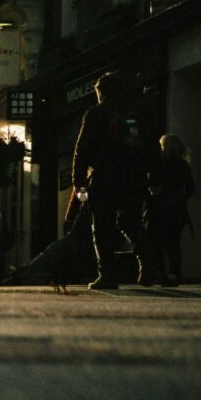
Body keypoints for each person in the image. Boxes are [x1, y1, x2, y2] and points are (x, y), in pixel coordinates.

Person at [72, 71, 157, 289]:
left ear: (102, 92)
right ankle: (148, 263)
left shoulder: (96, 114)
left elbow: (82, 150)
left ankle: (107, 275)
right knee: (131, 221)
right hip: (134, 177)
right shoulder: (138, 113)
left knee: (102, 226)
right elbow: (153, 148)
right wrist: (150, 176)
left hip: (105, 177)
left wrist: (79, 181)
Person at [146, 135, 196, 286]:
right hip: (177, 209)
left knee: (158, 243)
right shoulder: (183, 165)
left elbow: (151, 185)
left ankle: (161, 274)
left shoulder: (159, 162)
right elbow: (191, 188)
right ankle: (175, 273)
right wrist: (180, 197)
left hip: (158, 208)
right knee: (173, 243)